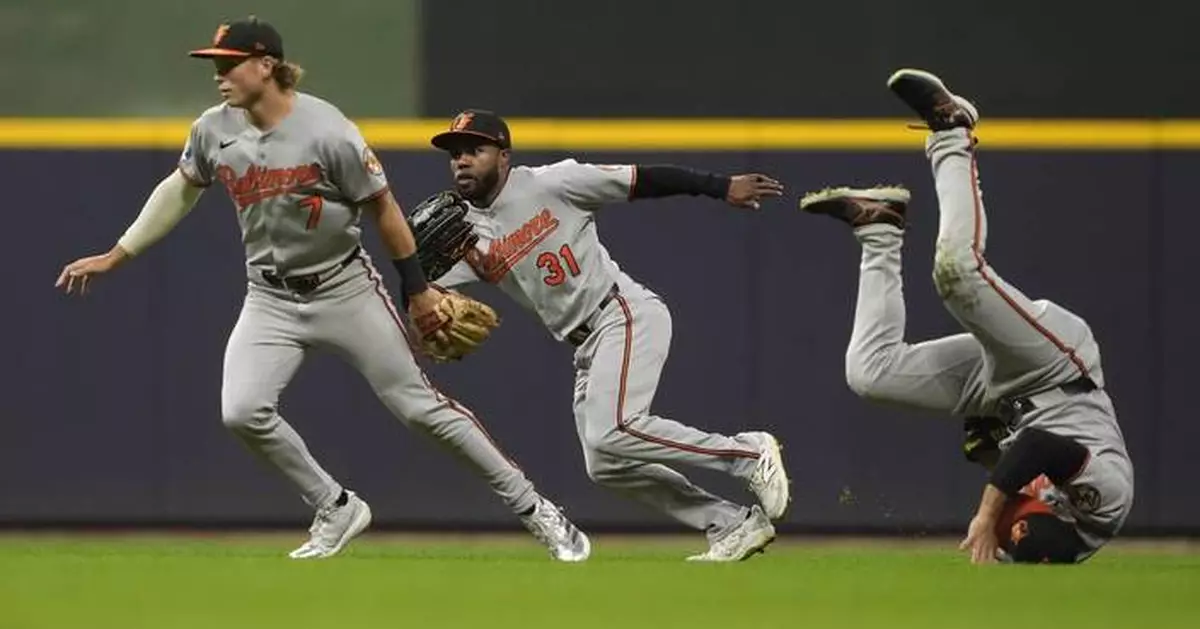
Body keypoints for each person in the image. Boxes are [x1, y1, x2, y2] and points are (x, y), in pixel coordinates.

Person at [53, 17, 589, 562]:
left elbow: (383, 207)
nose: (219, 75)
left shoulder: (328, 131)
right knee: (242, 411)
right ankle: (335, 506)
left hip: (345, 288)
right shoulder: (214, 130)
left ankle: (537, 509)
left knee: (421, 408)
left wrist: (418, 290)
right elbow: (180, 189)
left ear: (267, 66)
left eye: (229, 63)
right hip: (268, 298)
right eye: (215, 64)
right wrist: (116, 253)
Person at [423, 109, 791, 561]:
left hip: (621, 312)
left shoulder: (552, 182)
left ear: (503, 155)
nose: (461, 161)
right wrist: (422, 300)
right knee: (605, 464)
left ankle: (747, 455)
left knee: (615, 429)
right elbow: (427, 293)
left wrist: (719, 186)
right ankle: (730, 522)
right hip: (585, 345)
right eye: (455, 154)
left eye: (474, 150)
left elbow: (643, 179)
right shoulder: (463, 233)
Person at [800, 69, 1134, 564]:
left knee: (870, 372)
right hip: (1056, 368)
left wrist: (988, 454)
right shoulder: (1104, 503)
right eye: (1018, 520)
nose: (1008, 520)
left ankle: (879, 229)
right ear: (1054, 521)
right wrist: (985, 513)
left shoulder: (1037, 546)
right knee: (957, 273)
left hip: (1005, 396)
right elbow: (1043, 446)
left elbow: (1010, 459)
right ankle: (952, 132)